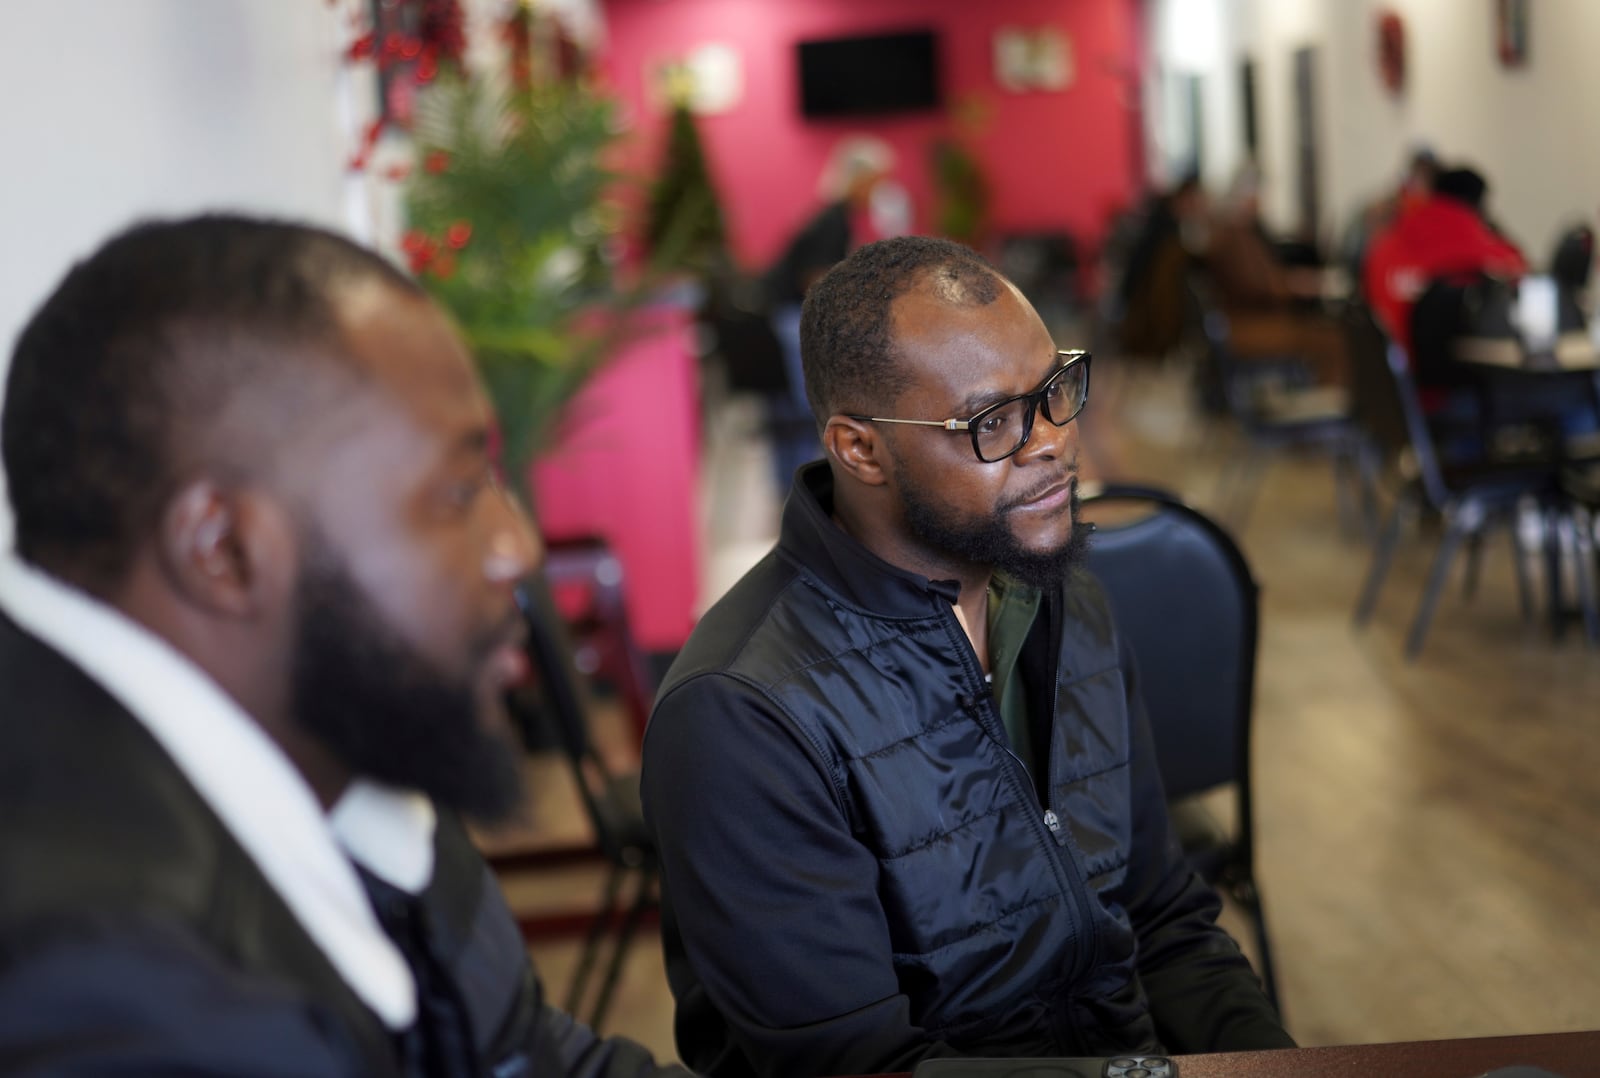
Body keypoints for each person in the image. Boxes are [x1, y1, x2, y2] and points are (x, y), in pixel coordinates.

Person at [0, 215, 689, 1078]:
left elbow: (530, 1060)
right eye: (457, 489)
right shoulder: (109, 989)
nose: (516, 546)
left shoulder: (342, 728)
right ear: (223, 549)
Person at [641, 235, 1293, 1078]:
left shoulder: (1061, 590)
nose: (1052, 440)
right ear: (860, 449)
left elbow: (1163, 916)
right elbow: (861, 1066)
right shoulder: (743, 715)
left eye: (1056, 391)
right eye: (993, 422)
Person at [761, 136, 897, 490]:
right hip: (790, 316)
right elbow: (815, 278)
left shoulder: (838, 216)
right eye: (876, 179)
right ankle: (810, 482)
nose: (880, 187)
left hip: (788, 312)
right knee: (808, 402)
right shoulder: (833, 220)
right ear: (859, 178)